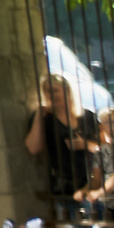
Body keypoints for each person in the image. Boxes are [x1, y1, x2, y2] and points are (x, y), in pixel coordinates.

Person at [22, 76, 91, 214]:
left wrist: (85, 144)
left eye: (55, 90)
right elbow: (33, 148)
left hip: (92, 182)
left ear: (67, 91)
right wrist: (38, 116)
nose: (51, 95)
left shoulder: (87, 116)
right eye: (47, 91)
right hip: (65, 186)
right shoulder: (45, 119)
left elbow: (104, 146)